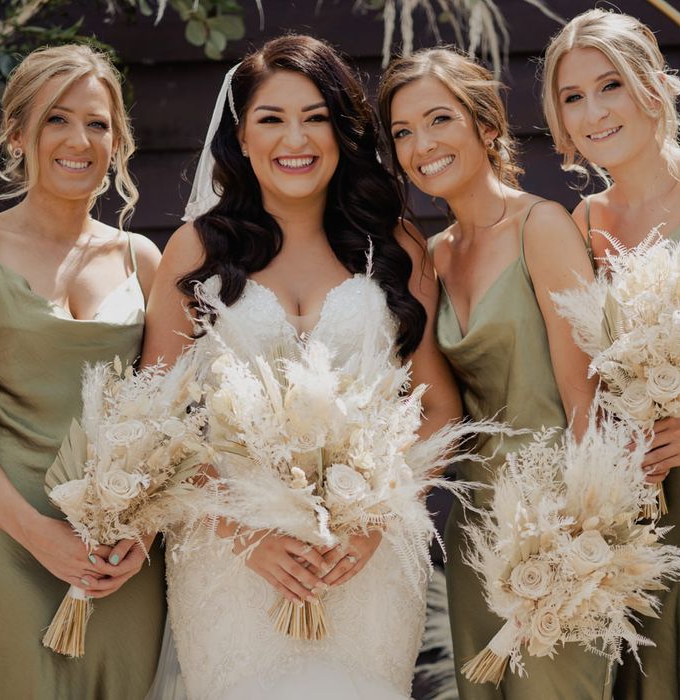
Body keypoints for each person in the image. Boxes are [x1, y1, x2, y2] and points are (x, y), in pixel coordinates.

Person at [141, 35, 461, 700]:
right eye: (272, 119)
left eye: (316, 117)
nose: (297, 139)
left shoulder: (395, 245)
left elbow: (439, 408)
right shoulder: (195, 250)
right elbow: (155, 414)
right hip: (230, 556)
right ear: (241, 137)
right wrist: (241, 533)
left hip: (364, 558)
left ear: (342, 132)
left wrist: (376, 517)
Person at [378, 48, 605, 700]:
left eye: (439, 119)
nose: (421, 146)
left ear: (486, 125)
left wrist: (577, 540)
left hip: (560, 531)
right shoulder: (433, 256)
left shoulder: (544, 226)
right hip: (475, 531)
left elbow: (588, 403)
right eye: (402, 132)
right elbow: (434, 406)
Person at [542, 9, 680, 699]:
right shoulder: (582, 224)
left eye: (611, 85)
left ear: (654, 87)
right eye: (572, 97)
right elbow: (585, 380)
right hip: (643, 513)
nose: (593, 111)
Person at [0, 44, 164, 699]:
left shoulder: (144, 259)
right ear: (17, 135)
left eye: (98, 123)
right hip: (4, 543)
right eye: (57, 119)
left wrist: (140, 535)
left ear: (118, 141)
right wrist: (39, 537)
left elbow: (173, 417)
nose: (79, 140)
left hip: (123, 565)